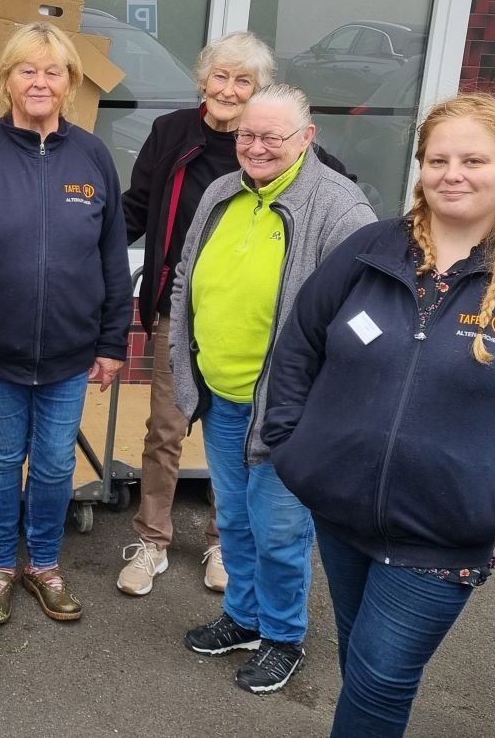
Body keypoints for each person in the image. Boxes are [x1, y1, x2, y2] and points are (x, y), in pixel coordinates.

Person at [263, 93, 495, 735]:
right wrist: (292, 445)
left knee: (381, 681)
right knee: (362, 666)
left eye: (473, 159)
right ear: (419, 167)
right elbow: (298, 346)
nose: (453, 172)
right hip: (340, 513)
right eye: (437, 158)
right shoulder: (369, 251)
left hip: (442, 534)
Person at [169, 83, 375, 694]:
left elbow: (364, 315)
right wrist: (187, 363)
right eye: (246, 136)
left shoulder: (341, 209)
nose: (255, 148)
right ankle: (244, 618)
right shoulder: (220, 192)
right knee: (232, 518)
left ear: (307, 138)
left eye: (272, 137)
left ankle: (284, 637)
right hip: (222, 397)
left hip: (291, 411)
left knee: (281, 529)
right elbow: (185, 275)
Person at [0, 21, 132, 624]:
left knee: (54, 465)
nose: (40, 82)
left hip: (70, 353)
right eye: (27, 70)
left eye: (54, 71)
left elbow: (112, 257)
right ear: (7, 80)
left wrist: (113, 340)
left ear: (70, 84)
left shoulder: (92, 156)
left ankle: (43, 564)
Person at [118, 31, 275, 597]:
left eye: (244, 80)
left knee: (233, 432)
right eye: (221, 76)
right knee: (166, 426)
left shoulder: (267, 141)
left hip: (243, 314)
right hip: (175, 308)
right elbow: (136, 206)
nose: (229, 90)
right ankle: (152, 540)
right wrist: (83, 244)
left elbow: (327, 191)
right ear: (202, 80)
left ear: (259, 90)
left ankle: (222, 541)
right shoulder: (171, 133)